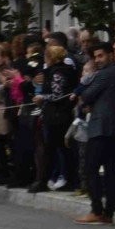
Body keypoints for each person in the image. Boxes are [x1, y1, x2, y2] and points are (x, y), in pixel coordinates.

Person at [72, 39, 115, 226]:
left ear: (111, 55)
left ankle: (97, 209)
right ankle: (109, 211)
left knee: (91, 168)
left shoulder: (105, 74)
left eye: (101, 55)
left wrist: (86, 100)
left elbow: (87, 95)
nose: (97, 60)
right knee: (111, 171)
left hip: (101, 128)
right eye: (95, 57)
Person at [32, 41, 77, 194]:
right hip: (59, 115)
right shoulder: (65, 70)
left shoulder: (57, 72)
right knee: (60, 149)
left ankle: (49, 180)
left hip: (57, 116)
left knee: (54, 149)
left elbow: (58, 95)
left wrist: (42, 97)